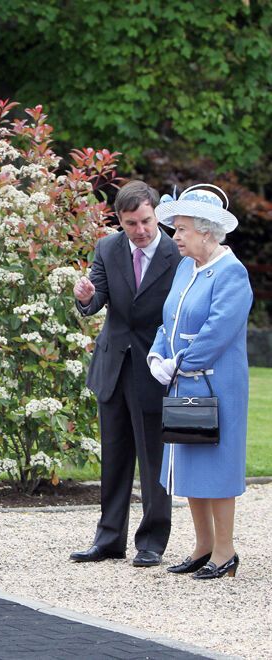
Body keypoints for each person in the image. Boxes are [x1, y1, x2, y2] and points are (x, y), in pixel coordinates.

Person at [70, 181, 179, 567]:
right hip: (113, 365)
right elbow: (96, 299)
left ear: (156, 216)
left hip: (154, 367)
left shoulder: (175, 253)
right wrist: (85, 297)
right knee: (114, 458)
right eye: (131, 223)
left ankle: (151, 541)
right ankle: (108, 539)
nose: (141, 230)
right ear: (120, 219)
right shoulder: (107, 248)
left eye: (147, 221)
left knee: (154, 461)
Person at [147, 184, 251, 579]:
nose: (175, 237)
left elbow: (217, 331)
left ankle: (225, 553)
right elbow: (168, 318)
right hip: (183, 382)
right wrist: (158, 354)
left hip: (217, 386)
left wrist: (179, 363)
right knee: (189, 462)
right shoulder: (186, 267)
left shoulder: (232, 272)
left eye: (182, 229)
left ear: (206, 231)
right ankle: (202, 546)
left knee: (218, 466)